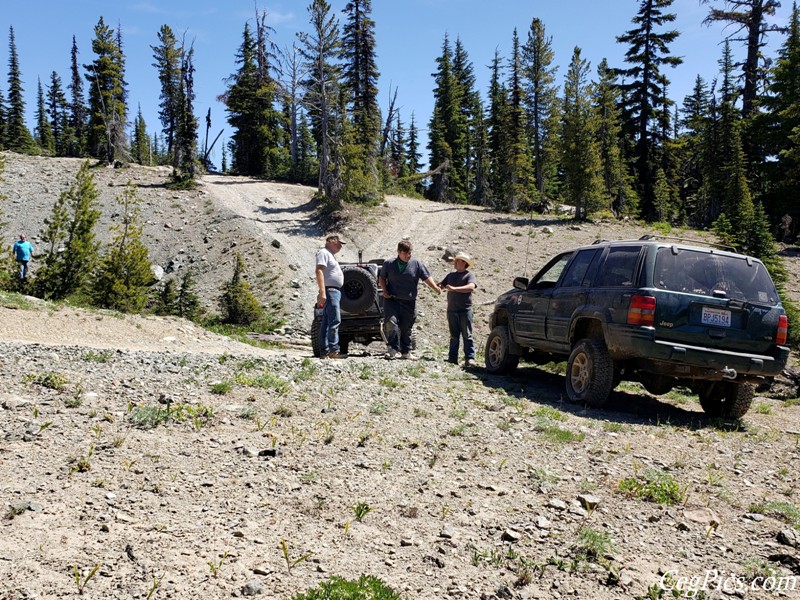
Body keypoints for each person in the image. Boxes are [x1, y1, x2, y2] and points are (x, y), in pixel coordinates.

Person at [379, 239, 441, 360]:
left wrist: (435, 288)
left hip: (409, 301)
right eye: (406, 253)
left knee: (406, 326)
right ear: (399, 252)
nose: (409, 255)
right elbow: (382, 278)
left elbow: (426, 277)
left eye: (410, 253)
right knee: (391, 322)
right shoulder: (389, 263)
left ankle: (406, 351)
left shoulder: (416, 263)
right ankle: (393, 350)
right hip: (392, 300)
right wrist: (384, 290)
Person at [439, 251, 478, 367]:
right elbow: (441, 285)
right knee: (454, 335)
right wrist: (437, 286)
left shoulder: (469, 275)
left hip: (465, 310)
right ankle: (452, 358)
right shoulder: (450, 275)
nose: (454, 263)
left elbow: (471, 287)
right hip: (452, 310)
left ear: (463, 262)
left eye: (457, 261)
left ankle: (470, 358)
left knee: (467, 335)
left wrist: (454, 289)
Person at [315, 234, 346, 358]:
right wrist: (322, 292)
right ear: (332, 241)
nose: (341, 246)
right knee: (335, 319)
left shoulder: (330, 254)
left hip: (334, 291)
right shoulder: (324, 252)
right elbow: (319, 271)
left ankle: (325, 351)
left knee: (327, 322)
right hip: (330, 290)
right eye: (339, 243)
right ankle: (333, 350)